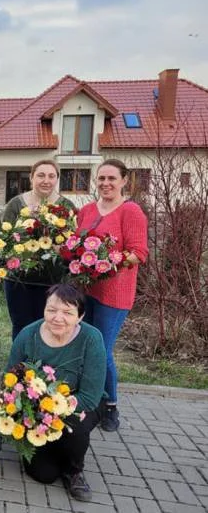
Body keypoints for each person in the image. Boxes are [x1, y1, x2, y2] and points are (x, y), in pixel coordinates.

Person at [7, 284, 106, 502]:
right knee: (43, 474)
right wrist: (27, 408)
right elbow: (10, 378)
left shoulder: (91, 339)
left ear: (80, 316)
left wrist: (52, 408)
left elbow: (90, 397)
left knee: (75, 425)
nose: (57, 318)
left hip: (79, 404)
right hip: (37, 408)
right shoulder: (28, 335)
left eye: (68, 312)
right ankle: (56, 449)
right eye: (51, 310)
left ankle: (75, 469)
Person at [77, 159, 148, 432]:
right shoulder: (86, 210)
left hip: (114, 294)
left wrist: (108, 263)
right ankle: (89, 399)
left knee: (101, 350)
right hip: (87, 291)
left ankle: (110, 407)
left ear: (124, 181)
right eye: (101, 178)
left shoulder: (130, 211)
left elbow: (138, 252)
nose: (106, 183)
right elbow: (76, 245)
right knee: (85, 346)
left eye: (111, 178)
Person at [0, 160, 75, 339]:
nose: (46, 180)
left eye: (51, 176)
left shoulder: (66, 207)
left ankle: (45, 366)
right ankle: (21, 366)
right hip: (19, 281)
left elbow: (73, 245)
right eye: (40, 175)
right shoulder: (16, 205)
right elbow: (3, 240)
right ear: (32, 177)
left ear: (57, 179)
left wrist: (62, 250)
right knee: (21, 328)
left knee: (50, 329)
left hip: (53, 282)